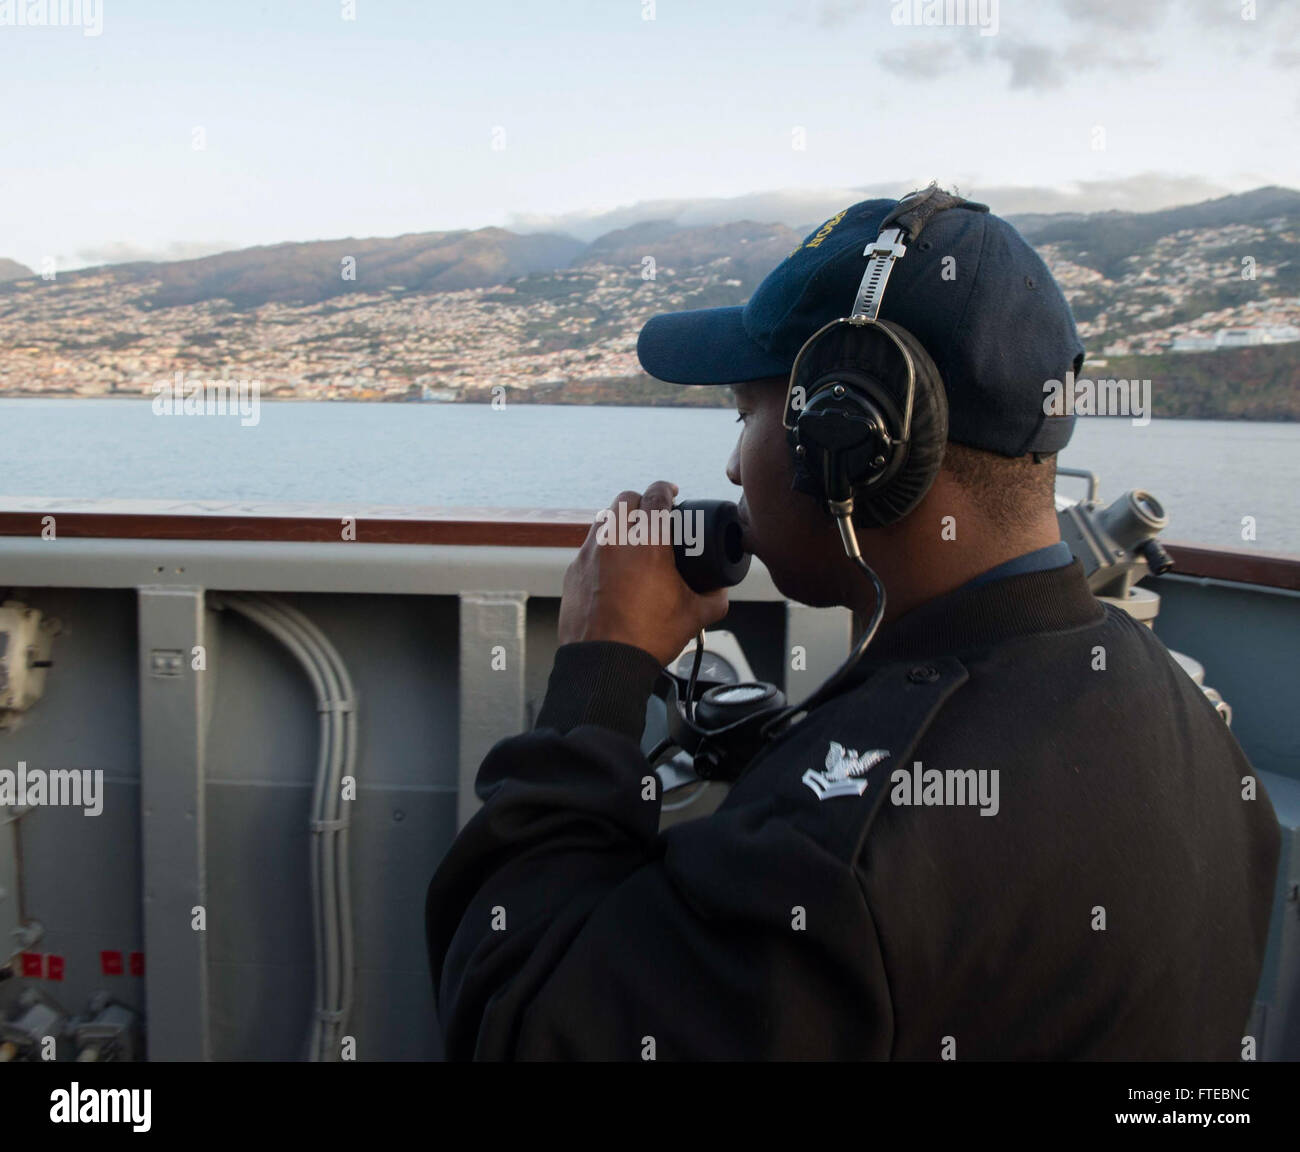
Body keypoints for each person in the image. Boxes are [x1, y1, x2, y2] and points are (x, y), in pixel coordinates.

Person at [425, 187, 1280, 1060]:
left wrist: (598, 673)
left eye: (745, 412)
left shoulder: (840, 859)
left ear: (851, 434)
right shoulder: (1193, 723)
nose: (729, 459)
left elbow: (515, 1021)